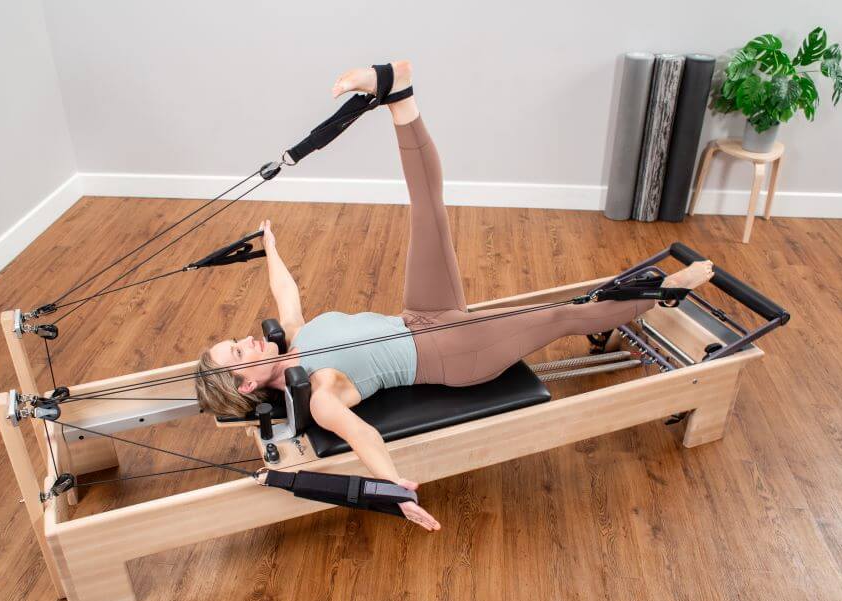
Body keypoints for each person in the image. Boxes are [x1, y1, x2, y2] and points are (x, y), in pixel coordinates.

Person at [196, 61, 714, 531]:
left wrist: (269, 246)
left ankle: (399, 96)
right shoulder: (318, 394)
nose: (246, 340)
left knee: (428, 211)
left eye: (235, 341)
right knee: (560, 316)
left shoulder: (290, 336)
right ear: (245, 386)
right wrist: (393, 489)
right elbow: (365, 438)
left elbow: (285, 291)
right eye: (238, 354)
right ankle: (665, 292)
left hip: (422, 315)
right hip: (454, 355)